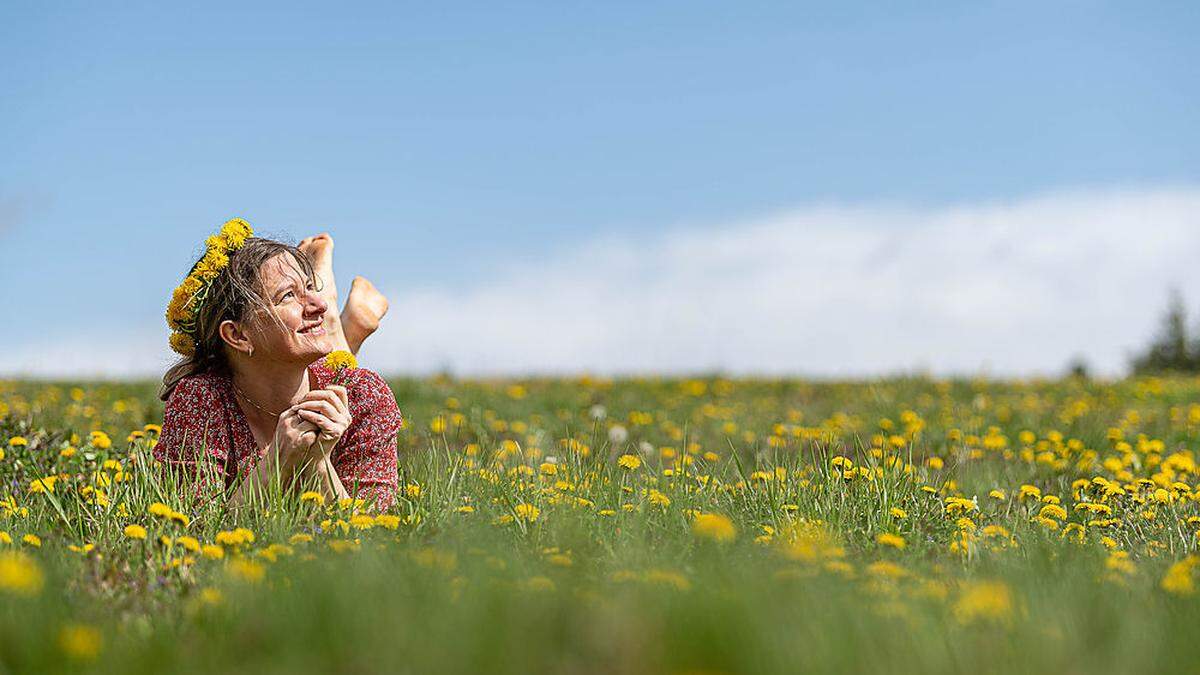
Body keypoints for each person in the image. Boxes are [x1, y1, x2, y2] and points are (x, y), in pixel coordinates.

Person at [153, 218, 401, 511]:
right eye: (287, 295)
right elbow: (195, 531)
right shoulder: (200, 401)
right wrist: (278, 459)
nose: (316, 304)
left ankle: (343, 326)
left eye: (311, 288)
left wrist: (318, 463)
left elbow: (374, 537)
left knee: (341, 367)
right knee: (332, 345)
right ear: (238, 335)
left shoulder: (363, 395)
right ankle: (343, 327)